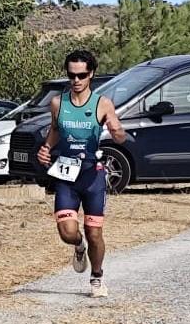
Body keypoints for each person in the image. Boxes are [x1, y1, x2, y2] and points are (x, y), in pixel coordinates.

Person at [34, 49, 127, 298]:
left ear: (91, 74)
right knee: (67, 232)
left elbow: (119, 135)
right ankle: (78, 245)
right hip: (66, 175)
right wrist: (46, 148)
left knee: (94, 233)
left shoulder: (102, 103)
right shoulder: (58, 103)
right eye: (71, 75)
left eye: (81, 75)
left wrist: (117, 132)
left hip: (92, 176)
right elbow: (55, 130)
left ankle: (96, 277)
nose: (76, 80)